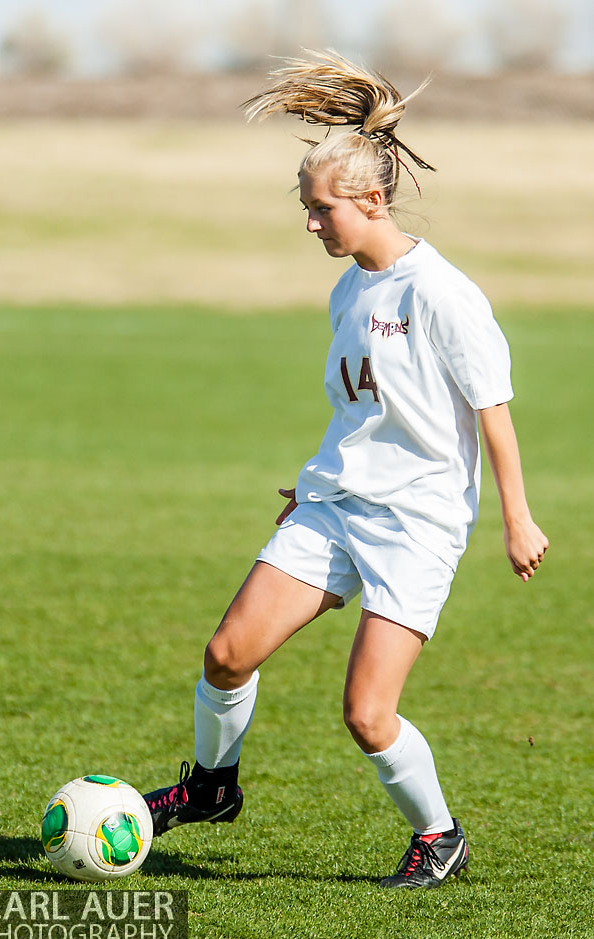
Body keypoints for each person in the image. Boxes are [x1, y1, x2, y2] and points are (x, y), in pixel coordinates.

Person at [144, 50, 549, 890]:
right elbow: (362, 410)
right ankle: (212, 786)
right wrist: (320, 481)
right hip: (335, 504)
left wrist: (515, 516)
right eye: (305, 208)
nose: (310, 224)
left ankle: (438, 837)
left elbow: (492, 409)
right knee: (227, 654)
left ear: (369, 200)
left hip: (417, 524)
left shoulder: (440, 294)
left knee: (366, 716)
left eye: (320, 208)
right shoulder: (347, 292)